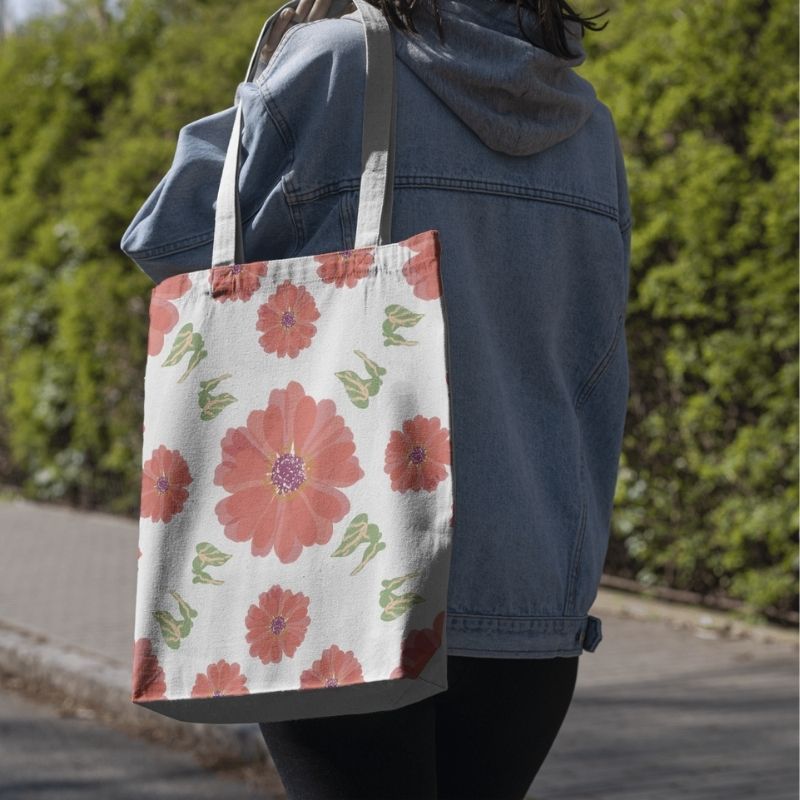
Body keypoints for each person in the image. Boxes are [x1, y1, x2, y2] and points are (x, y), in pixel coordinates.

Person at [122, 0, 631, 796]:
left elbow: (172, 238)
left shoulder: (334, 65)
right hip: (532, 599)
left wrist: (277, 63)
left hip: (345, 587)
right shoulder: (586, 126)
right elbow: (593, 367)